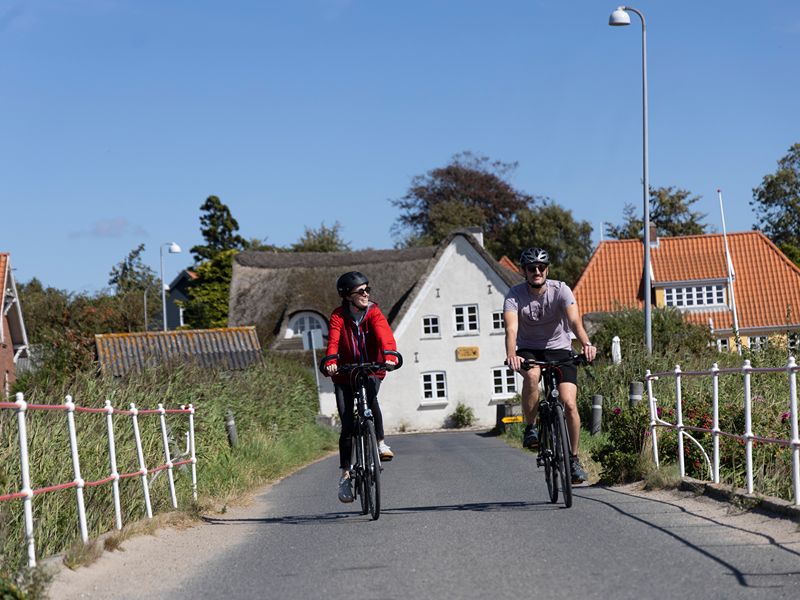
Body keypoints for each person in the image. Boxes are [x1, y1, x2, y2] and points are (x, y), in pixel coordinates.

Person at [503, 247, 597, 483]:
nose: (537, 271)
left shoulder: (561, 290)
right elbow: (511, 328)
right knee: (532, 376)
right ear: (524, 271)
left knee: (569, 404)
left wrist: (586, 343)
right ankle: (531, 428)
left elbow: (575, 320)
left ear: (547, 269)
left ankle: (574, 459)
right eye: (531, 268)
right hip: (529, 348)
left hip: (560, 348)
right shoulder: (514, 295)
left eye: (541, 267)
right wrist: (511, 354)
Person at [323, 271, 399, 503]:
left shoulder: (374, 312)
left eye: (368, 289)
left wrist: (390, 354)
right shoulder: (338, 316)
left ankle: (380, 443)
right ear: (347, 296)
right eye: (361, 291)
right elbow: (334, 340)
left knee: (371, 400)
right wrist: (331, 361)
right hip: (344, 374)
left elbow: (384, 334)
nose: (366, 294)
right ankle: (345, 475)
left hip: (372, 367)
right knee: (347, 424)